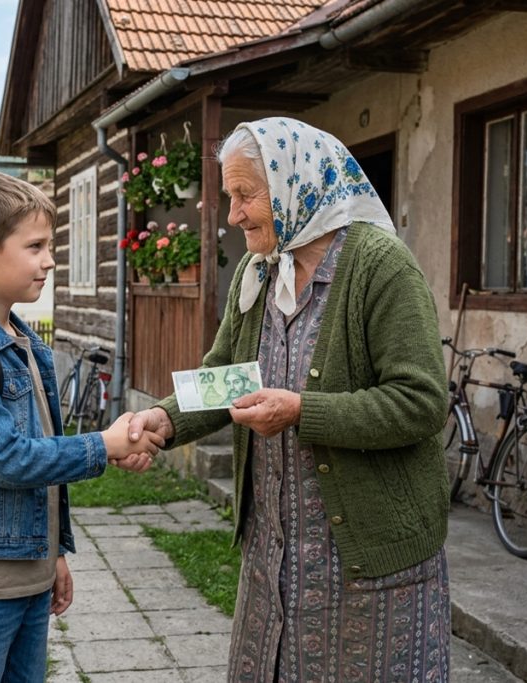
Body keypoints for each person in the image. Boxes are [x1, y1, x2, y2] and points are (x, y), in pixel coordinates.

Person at [127, 117, 451, 681]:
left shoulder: (381, 268)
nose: (232, 215)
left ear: (292, 183)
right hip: (276, 564)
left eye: (244, 196)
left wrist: (304, 412)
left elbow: (421, 403)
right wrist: (163, 418)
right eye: (230, 197)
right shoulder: (260, 273)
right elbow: (226, 376)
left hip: (365, 569)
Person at [0, 171, 160, 682]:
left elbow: (43, 455)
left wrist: (52, 554)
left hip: (27, 573)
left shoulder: (24, 342)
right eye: (36, 246)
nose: (50, 259)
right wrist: (105, 445)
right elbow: (8, 459)